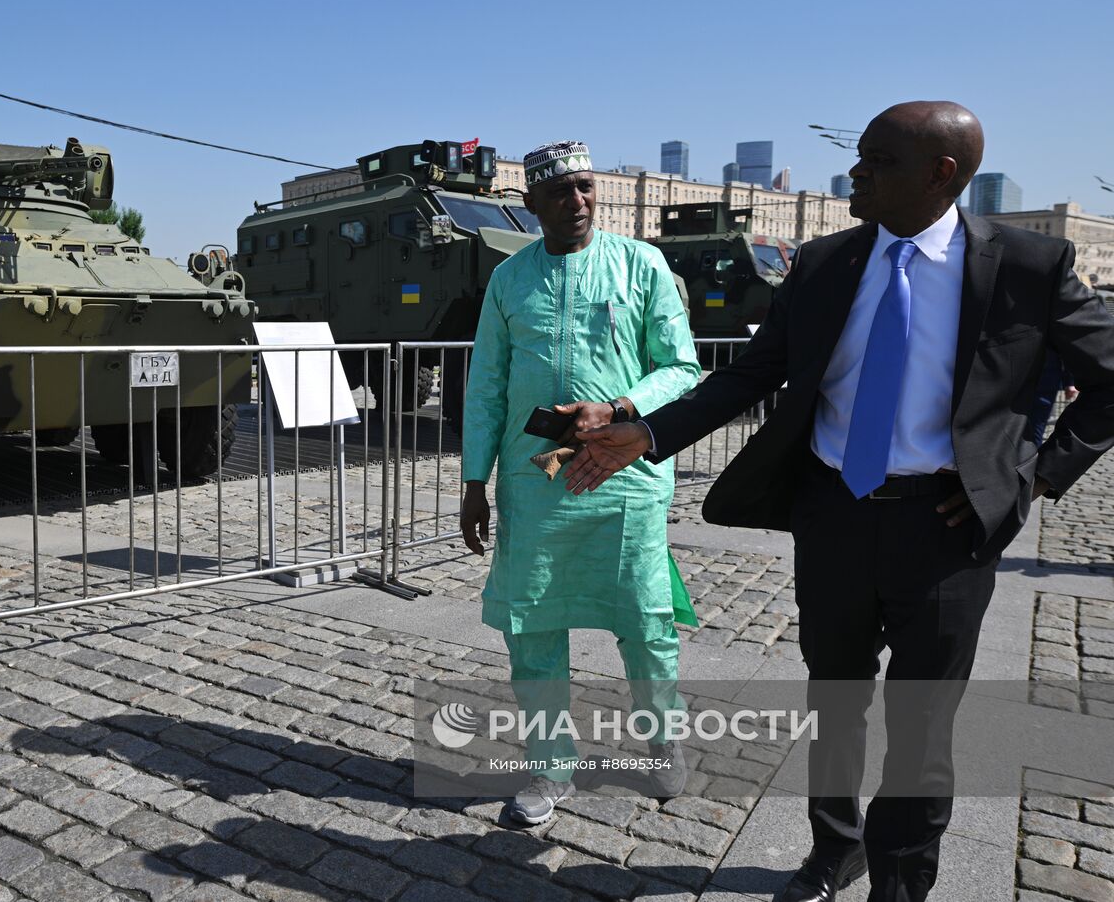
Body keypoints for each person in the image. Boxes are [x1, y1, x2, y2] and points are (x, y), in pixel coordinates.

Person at [562, 102, 1114, 901]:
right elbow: (749, 376)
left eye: (876, 161)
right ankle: (835, 849)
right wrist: (645, 434)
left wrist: (1031, 476)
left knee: (923, 726)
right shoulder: (822, 265)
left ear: (941, 175)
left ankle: (898, 881)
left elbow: (1106, 385)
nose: (855, 173)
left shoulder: (1030, 265)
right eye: (857, 157)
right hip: (834, 515)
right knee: (834, 699)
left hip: (946, 532)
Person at [459, 140, 701, 825]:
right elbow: (487, 390)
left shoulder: (641, 264)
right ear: (531, 203)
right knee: (531, 624)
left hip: (624, 476)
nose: (577, 201)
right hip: (535, 485)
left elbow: (681, 368)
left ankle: (662, 744)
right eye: (560, 191)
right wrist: (475, 482)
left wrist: (619, 408)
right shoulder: (510, 281)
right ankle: (548, 767)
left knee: (646, 618)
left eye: (586, 187)